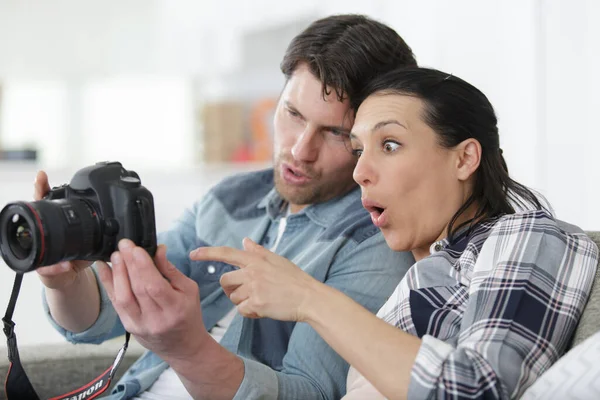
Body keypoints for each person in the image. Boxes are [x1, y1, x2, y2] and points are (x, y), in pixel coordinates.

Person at [34, 15, 418, 400]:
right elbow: (99, 318)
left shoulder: (376, 239)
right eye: (293, 114)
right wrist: (63, 281)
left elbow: (312, 392)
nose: (300, 150)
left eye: (334, 132)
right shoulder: (235, 196)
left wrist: (186, 349)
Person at [193, 67, 600, 399]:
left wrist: (308, 297)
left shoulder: (527, 234)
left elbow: (477, 390)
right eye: (358, 150)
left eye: (389, 145)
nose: (359, 172)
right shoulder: (414, 271)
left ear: (465, 158)